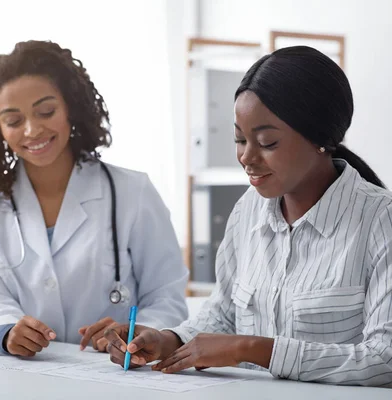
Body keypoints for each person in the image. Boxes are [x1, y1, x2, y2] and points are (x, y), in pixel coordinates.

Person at [104, 45, 392, 387]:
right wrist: (169, 341)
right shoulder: (248, 211)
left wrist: (255, 349)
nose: (246, 157)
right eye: (240, 139)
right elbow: (224, 314)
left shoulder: (379, 221)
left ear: (320, 139)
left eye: (267, 142)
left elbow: (384, 359)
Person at [0, 40, 188, 357]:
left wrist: (135, 336)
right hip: (25, 373)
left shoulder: (132, 192)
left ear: (71, 108)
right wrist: (9, 330)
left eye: (46, 112)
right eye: (13, 121)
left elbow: (166, 295)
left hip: (115, 373)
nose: (31, 130)